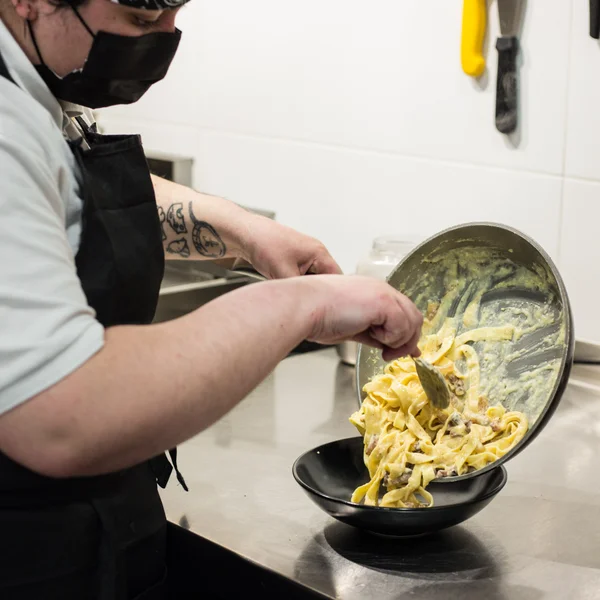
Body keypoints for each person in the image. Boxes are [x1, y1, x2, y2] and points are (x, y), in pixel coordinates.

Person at [0, 0, 423, 597]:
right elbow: (61, 414)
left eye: (176, 11)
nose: (166, 37)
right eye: (143, 18)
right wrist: (305, 305)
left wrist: (242, 232)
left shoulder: (28, 77)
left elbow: (51, 185)